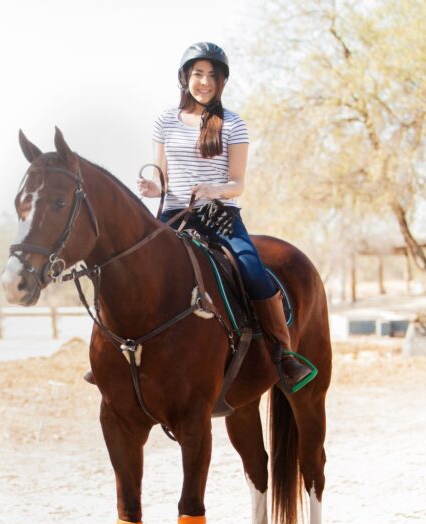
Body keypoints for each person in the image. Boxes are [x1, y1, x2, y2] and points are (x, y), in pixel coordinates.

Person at [84, 42, 312, 390]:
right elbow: (164, 175)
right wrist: (153, 186)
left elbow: (237, 184)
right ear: (185, 79)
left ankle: (282, 353)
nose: (204, 82)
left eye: (211, 76)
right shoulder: (165, 121)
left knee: (252, 267)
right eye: (197, 74)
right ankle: (110, 352)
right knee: (128, 266)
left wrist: (214, 189)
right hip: (175, 215)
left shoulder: (233, 124)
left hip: (219, 215)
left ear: (221, 81)